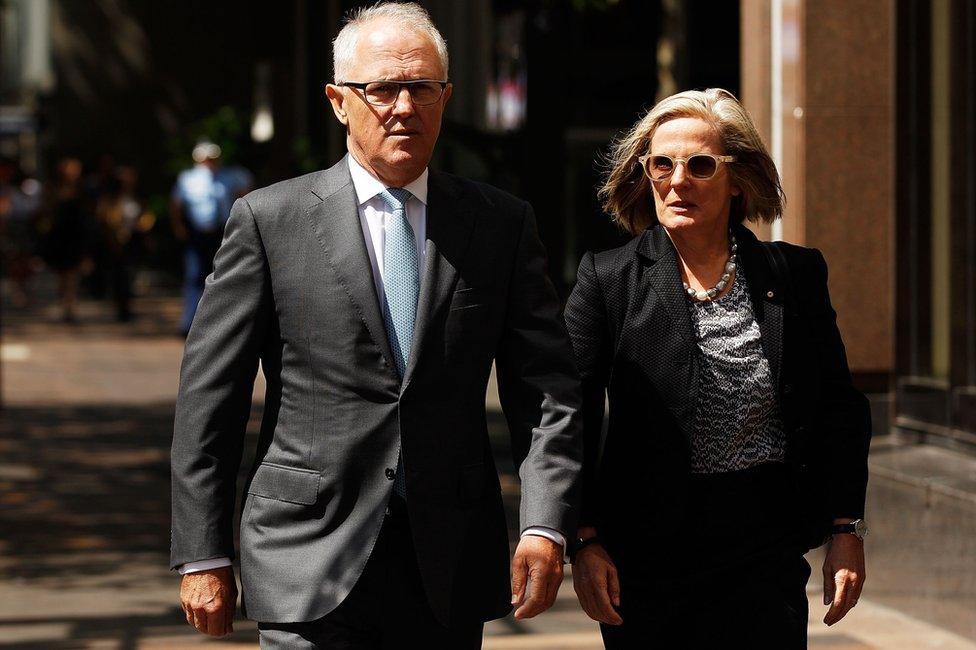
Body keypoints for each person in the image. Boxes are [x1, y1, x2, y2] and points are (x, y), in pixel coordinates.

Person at [170, 3, 582, 649]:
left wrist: (545, 524)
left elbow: (549, 391)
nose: (403, 106)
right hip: (304, 553)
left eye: (421, 88)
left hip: (447, 558)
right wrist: (202, 553)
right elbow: (209, 401)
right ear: (339, 101)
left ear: (445, 97)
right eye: (382, 88)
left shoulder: (499, 226)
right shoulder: (268, 222)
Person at [564, 88, 871, 648]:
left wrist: (845, 527)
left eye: (700, 165)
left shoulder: (795, 275)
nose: (678, 182)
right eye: (662, 164)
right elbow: (568, 416)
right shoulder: (606, 281)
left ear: (737, 178)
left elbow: (837, 407)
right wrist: (583, 539)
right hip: (648, 560)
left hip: (764, 553)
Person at [170, 141, 252, 335]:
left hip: (221, 232)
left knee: (222, 275)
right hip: (196, 234)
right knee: (194, 276)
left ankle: (220, 323)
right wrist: (179, 226)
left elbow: (245, 195)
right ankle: (189, 323)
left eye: (212, 159)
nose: (209, 163)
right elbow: (176, 205)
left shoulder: (229, 177)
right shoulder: (187, 179)